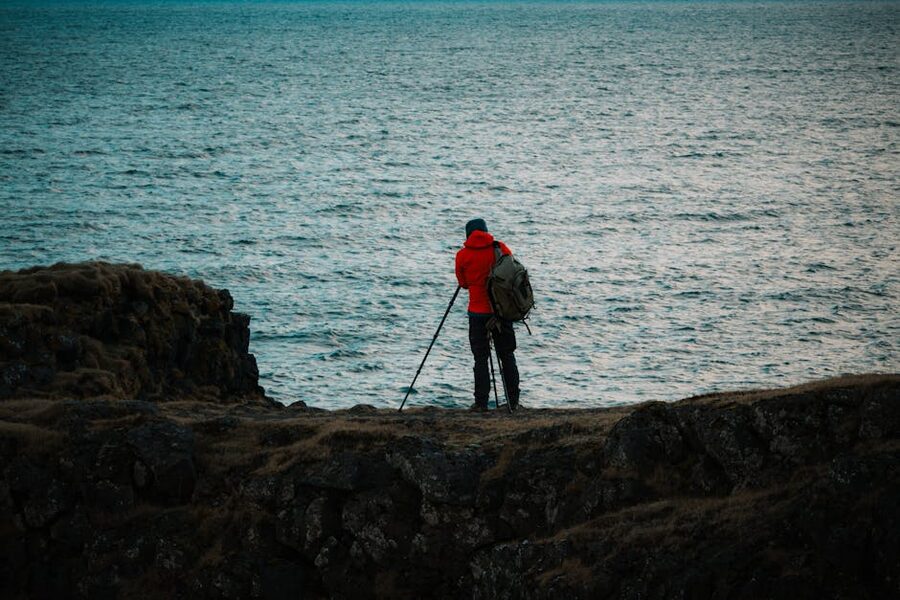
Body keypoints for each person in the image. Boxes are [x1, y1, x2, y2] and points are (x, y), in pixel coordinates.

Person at [455, 218, 520, 411]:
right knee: (507, 356)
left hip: (477, 313)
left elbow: (463, 283)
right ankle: (513, 402)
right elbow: (512, 273)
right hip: (501, 312)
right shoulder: (500, 248)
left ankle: (481, 403)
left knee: (480, 359)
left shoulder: (462, 255)